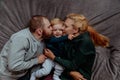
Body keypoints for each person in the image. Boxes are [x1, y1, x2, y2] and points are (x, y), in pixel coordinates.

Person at [44, 13, 109, 80]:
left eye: (66, 26)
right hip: (65, 70)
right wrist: (70, 72)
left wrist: (53, 57)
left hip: (79, 76)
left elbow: (73, 65)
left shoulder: (84, 43)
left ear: (75, 29)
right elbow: (64, 56)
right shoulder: (70, 36)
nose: (62, 28)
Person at [0, 15, 53, 80]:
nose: (52, 28)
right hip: (8, 76)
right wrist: (36, 61)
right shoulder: (21, 39)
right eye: (49, 27)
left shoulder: (42, 40)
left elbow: (39, 61)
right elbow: (14, 66)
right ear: (39, 31)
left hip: (24, 73)